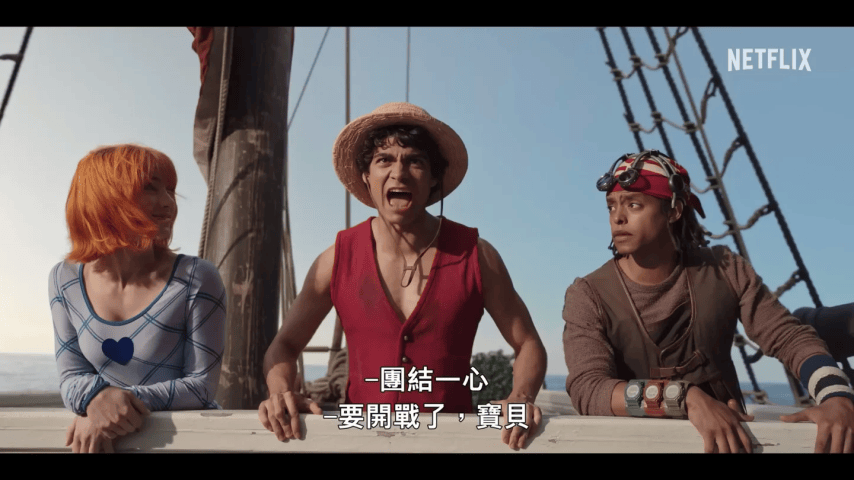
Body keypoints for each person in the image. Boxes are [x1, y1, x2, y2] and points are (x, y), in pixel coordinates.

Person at [259, 102, 547, 450]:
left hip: (453, 445)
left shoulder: (476, 255)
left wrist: (520, 397)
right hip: (359, 444)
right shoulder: (335, 260)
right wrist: (281, 392)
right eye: (384, 160)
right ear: (366, 176)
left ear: (434, 178)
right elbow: (284, 346)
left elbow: (528, 343)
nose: (399, 173)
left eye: (415, 161)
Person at [563, 149, 854, 453]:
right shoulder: (588, 294)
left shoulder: (725, 269)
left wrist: (836, 396)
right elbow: (588, 389)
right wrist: (684, 398)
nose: (618, 217)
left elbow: (787, 336)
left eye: (634, 204)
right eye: (611, 206)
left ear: (674, 211)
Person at [50, 144, 226, 453]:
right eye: (150, 189)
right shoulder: (64, 279)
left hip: (189, 444)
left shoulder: (197, 277)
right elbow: (71, 375)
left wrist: (113, 405)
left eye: (170, 191)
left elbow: (201, 386)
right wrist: (96, 398)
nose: (168, 203)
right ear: (106, 196)